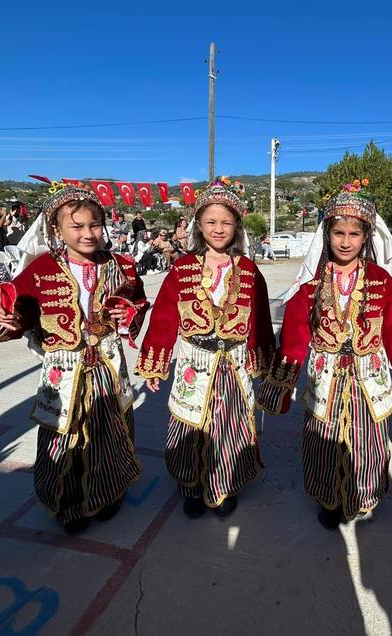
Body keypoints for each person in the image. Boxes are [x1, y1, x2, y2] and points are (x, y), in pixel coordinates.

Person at [0, 182, 150, 534]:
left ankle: (107, 491)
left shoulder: (122, 265)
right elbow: (20, 306)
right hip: (64, 368)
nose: (87, 234)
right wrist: (5, 316)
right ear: (55, 229)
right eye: (76, 227)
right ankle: (67, 502)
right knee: (64, 434)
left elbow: (136, 300)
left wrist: (129, 314)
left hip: (107, 363)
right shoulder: (41, 268)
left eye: (94, 225)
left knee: (111, 429)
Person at [258, 180, 392, 529]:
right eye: (338, 232)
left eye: (354, 234)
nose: (345, 241)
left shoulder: (382, 283)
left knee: (366, 442)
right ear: (327, 236)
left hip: (368, 378)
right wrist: (280, 385)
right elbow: (294, 340)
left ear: (366, 237)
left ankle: (360, 493)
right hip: (325, 378)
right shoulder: (310, 288)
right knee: (322, 441)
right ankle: (328, 497)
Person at [137, 179, 275, 519]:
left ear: (237, 226)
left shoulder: (249, 270)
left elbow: (260, 319)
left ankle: (224, 485)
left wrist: (266, 361)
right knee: (189, 425)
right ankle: (191, 486)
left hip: (233, 365)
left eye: (226, 222)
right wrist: (155, 362)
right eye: (211, 221)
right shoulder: (182, 269)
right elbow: (165, 317)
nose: (219, 228)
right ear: (199, 223)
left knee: (229, 427)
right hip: (193, 364)